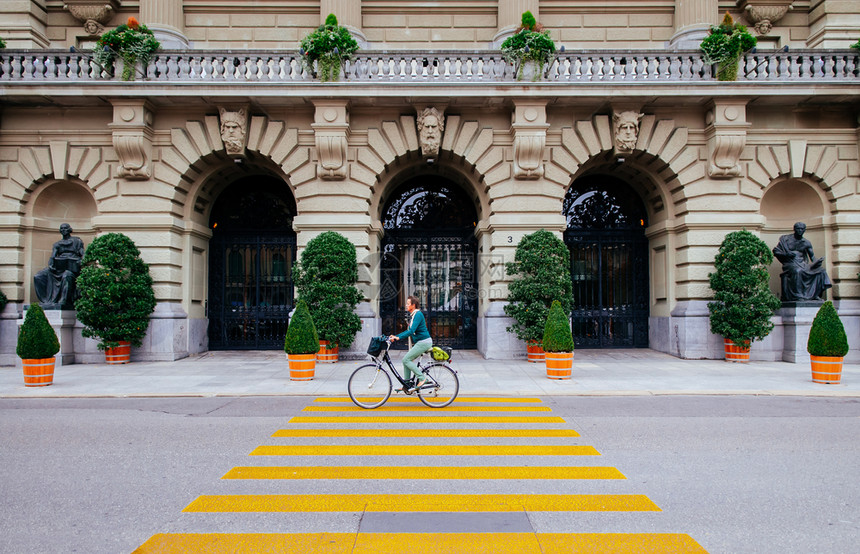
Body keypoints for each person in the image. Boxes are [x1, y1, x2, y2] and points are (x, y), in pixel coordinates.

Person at [772, 222, 832, 301]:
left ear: (804, 230)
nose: (800, 230)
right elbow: (776, 251)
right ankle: (798, 295)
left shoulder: (806, 243)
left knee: (822, 271)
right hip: (790, 264)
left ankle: (815, 295)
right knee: (798, 271)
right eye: (798, 228)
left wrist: (818, 262)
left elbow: (812, 257)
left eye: (802, 229)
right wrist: (786, 254)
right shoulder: (786, 239)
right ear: (794, 229)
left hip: (803, 264)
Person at [33, 223, 85, 309]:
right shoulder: (57, 244)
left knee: (67, 276)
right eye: (62, 229)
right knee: (38, 276)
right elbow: (53, 257)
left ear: (69, 230)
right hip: (58, 267)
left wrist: (80, 262)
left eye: (65, 228)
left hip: (71, 268)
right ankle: (46, 300)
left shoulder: (77, 241)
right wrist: (51, 265)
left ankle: (63, 301)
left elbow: (83, 254)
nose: (63, 230)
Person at [389, 294, 432, 392]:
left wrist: (397, 337)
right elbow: (408, 331)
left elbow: (411, 331)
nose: (406, 305)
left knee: (406, 360)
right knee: (406, 361)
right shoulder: (413, 316)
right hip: (421, 343)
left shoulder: (418, 314)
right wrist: (396, 336)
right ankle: (407, 384)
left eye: (408, 304)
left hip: (424, 342)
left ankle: (422, 378)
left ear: (413, 305)